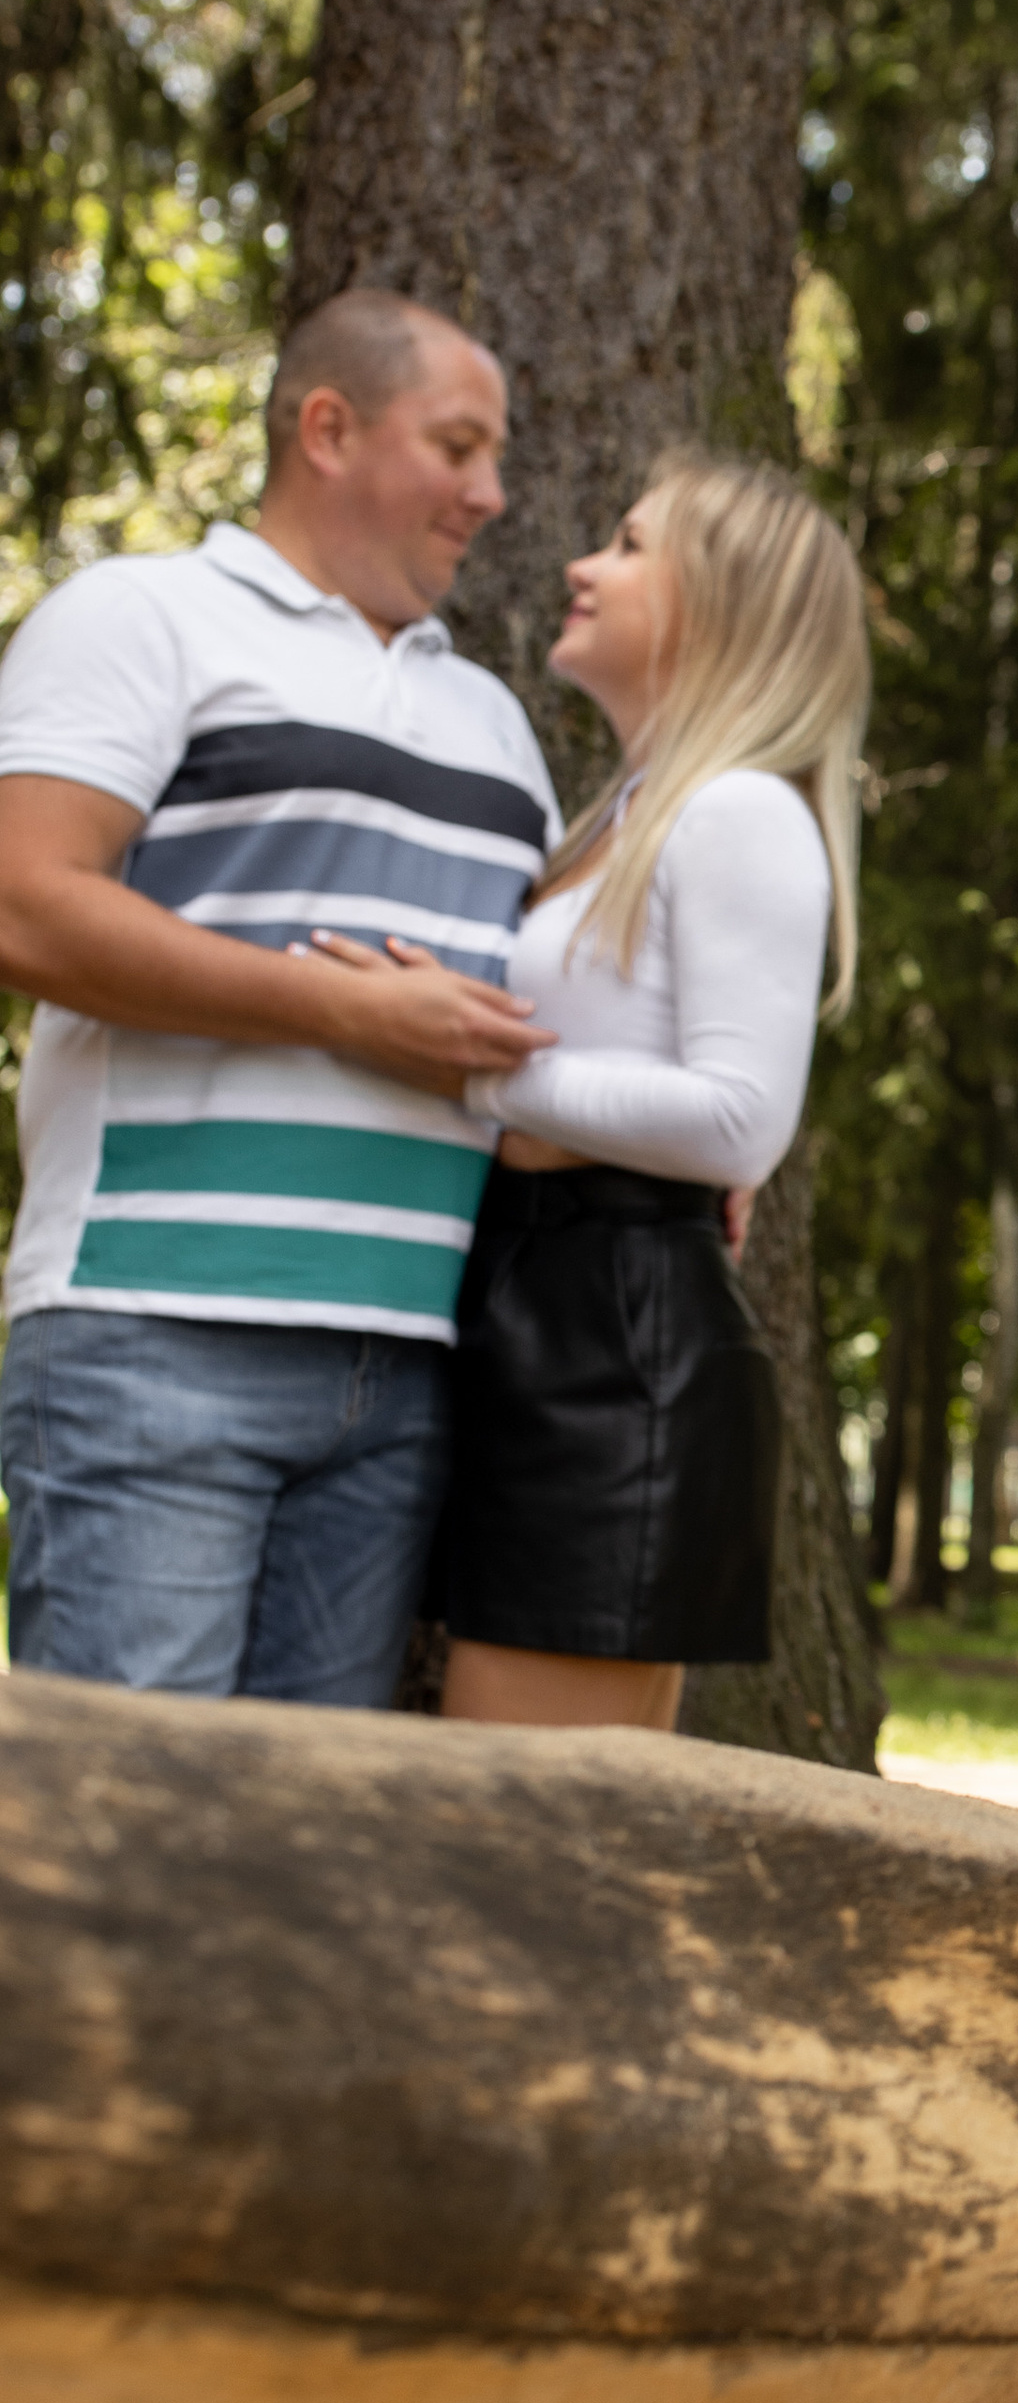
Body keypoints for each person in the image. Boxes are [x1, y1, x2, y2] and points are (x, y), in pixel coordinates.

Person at [0, 291, 558, 1706]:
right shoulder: (140, 617)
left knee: (296, 1873)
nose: (491, 495)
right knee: (128, 1848)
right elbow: (25, 900)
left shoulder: (493, 720)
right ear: (329, 428)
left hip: (402, 1367)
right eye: (459, 447)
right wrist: (343, 1015)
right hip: (150, 1331)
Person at [309, 452, 867, 1734]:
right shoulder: (621, 817)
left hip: (617, 1344)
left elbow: (740, 1115)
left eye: (625, 544)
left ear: (717, 603)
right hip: (535, 1303)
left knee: (524, 1844)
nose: (579, 564)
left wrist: (468, 1060)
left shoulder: (736, 814)